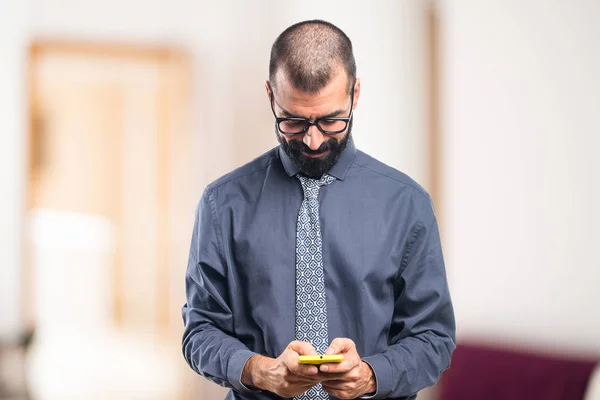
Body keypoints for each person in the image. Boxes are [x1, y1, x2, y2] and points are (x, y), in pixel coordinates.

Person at [182, 20, 455, 400]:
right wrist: (261, 371)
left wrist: (372, 375)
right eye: (293, 121)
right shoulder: (221, 203)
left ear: (355, 93)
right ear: (270, 96)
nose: (313, 140)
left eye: (331, 120)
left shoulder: (407, 204)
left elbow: (434, 338)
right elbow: (199, 331)